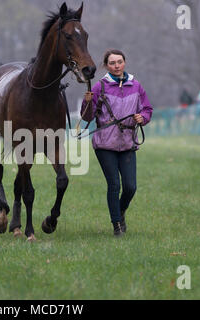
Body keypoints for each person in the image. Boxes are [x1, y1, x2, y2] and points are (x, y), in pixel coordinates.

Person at [81, 49, 153, 237]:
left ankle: (120, 212)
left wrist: (142, 117)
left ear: (124, 62)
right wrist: (86, 102)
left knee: (130, 187)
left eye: (119, 62)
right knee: (114, 185)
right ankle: (116, 225)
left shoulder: (136, 86)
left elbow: (147, 108)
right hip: (105, 144)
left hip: (128, 142)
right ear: (106, 65)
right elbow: (87, 117)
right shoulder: (99, 87)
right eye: (112, 63)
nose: (116, 65)